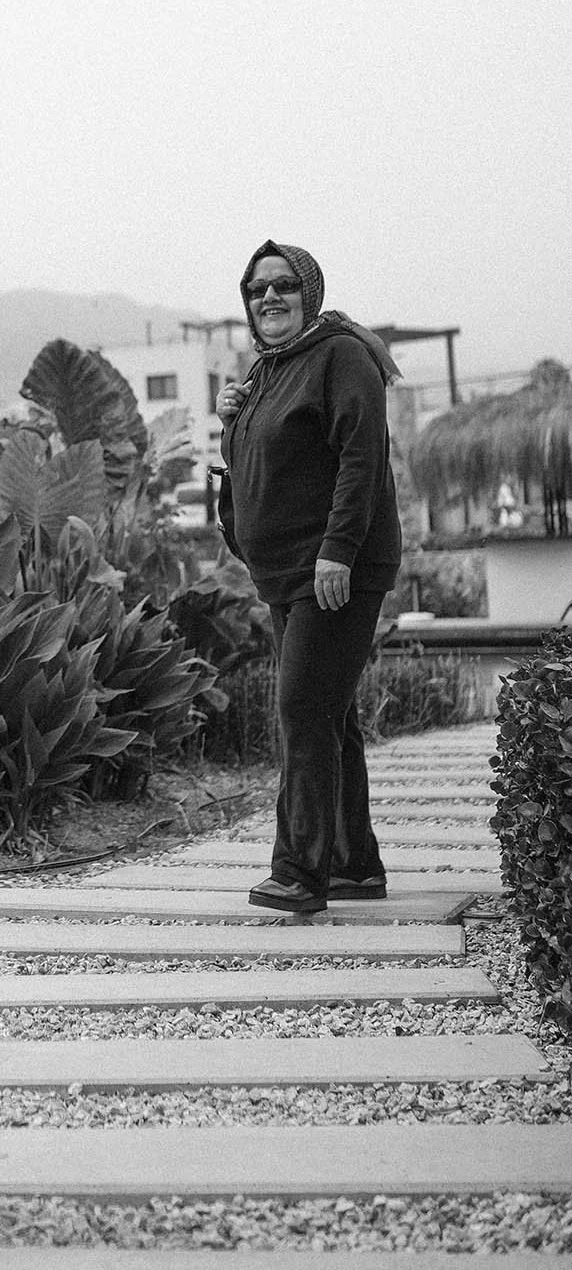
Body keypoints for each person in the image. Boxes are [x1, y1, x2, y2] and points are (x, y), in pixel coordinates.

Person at [216, 240, 402, 915]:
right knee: (330, 712)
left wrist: (339, 550)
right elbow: (253, 467)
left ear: (309, 291)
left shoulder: (342, 354)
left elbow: (362, 456)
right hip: (286, 573)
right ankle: (354, 864)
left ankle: (299, 870)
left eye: (283, 284)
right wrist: (232, 424)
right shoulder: (269, 371)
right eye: (257, 287)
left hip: (335, 567)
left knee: (301, 707)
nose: (269, 296)